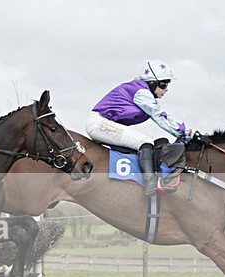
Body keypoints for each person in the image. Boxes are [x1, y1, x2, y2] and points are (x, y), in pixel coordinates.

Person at [86, 60, 202, 197]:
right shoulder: (141, 92)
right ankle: (151, 183)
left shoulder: (140, 89)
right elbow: (160, 117)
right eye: (163, 84)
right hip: (99, 124)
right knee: (145, 141)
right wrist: (190, 133)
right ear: (152, 82)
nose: (166, 89)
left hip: (103, 123)